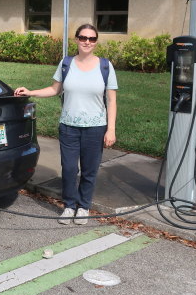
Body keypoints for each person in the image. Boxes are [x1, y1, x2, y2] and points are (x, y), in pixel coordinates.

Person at [14, 24, 118, 225]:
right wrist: (31, 92)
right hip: (69, 127)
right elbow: (54, 89)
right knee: (69, 169)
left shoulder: (105, 66)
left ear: (96, 42)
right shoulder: (66, 63)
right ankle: (70, 206)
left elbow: (112, 100)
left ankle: (83, 207)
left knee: (89, 170)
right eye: (83, 37)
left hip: (95, 128)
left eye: (92, 39)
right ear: (77, 39)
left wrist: (110, 129)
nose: (87, 42)